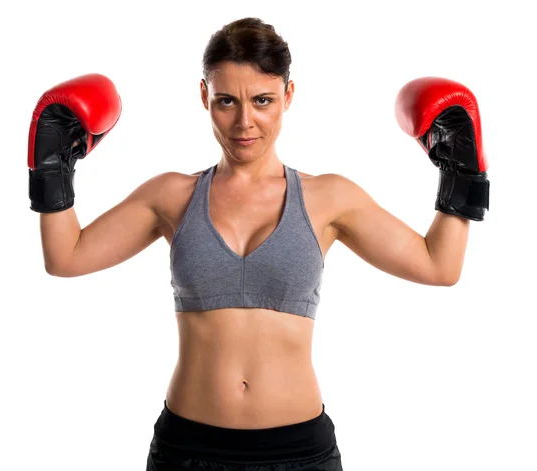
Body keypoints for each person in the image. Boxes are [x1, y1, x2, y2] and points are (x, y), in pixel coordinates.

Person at [27, 17, 489, 471]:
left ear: (288, 96)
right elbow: (67, 257)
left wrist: (461, 172)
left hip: (299, 453)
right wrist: (52, 169)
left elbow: (438, 266)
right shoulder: (171, 195)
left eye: (263, 100)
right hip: (187, 449)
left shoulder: (328, 197)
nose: (244, 121)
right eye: (226, 100)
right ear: (204, 96)